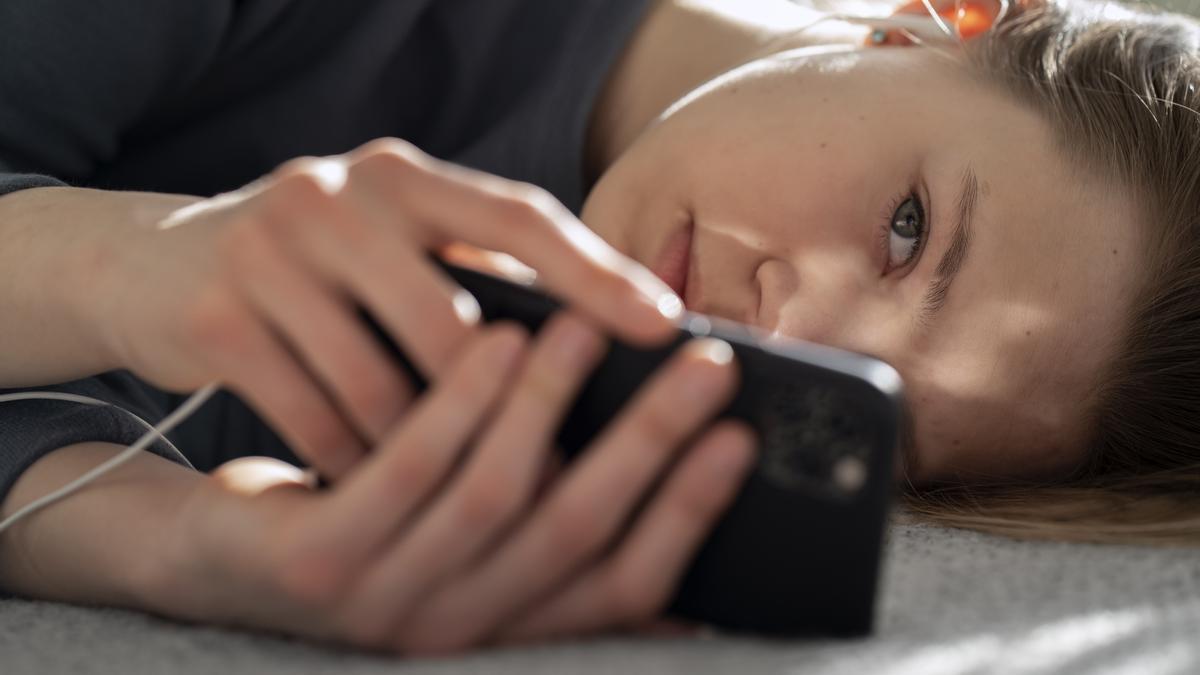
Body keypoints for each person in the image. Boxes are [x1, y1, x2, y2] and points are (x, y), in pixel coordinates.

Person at [0, 0, 1197, 656]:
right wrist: (124, 266)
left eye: (857, 390)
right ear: (949, 18)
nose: (787, 323)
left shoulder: (567, 433)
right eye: (907, 227)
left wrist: (169, 544)